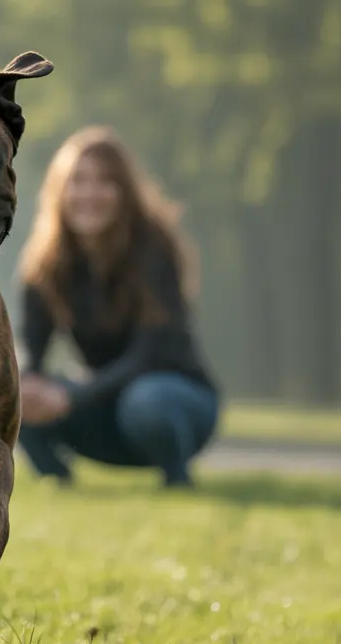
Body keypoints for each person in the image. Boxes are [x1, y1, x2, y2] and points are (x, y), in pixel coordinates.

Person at [15, 126, 220, 489]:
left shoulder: (155, 249)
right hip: (103, 409)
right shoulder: (45, 263)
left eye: (105, 182)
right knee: (7, 392)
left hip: (172, 405)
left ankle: (177, 477)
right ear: (60, 191)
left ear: (125, 192)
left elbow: (151, 353)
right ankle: (57, 482)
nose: (90, 194)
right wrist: (28, 381)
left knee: (145, 400)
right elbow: (32, 344)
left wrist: (73, 395)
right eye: (78, 181)